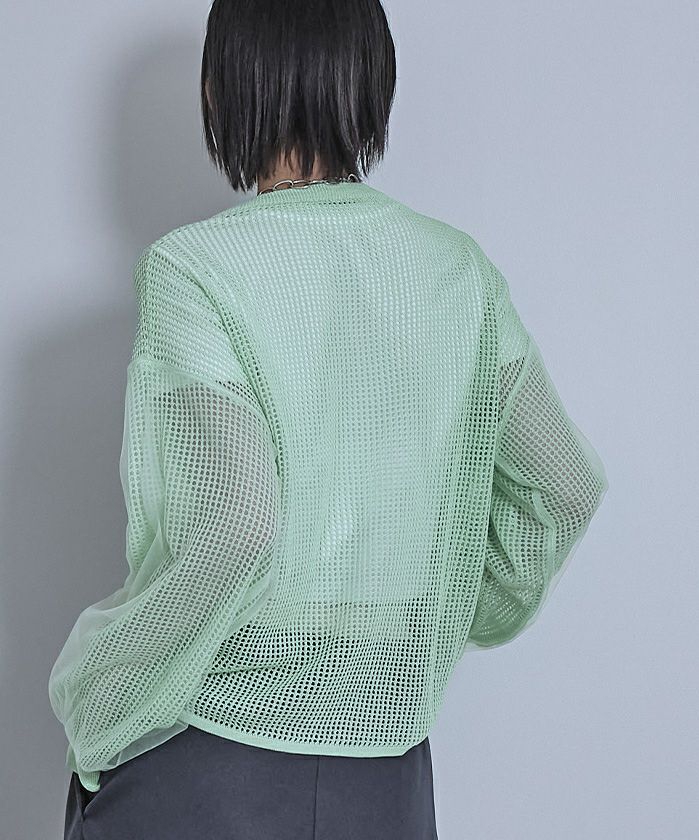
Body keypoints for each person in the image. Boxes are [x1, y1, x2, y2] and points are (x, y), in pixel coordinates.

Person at [49, 1, 608, 838]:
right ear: (373, 82)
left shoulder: (192, 272)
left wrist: (99, 700)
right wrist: (447, 612)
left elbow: (236, 527)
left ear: (222, 89)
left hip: (207, 763)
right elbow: (564, 489)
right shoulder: (459, 274)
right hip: (386, 778)